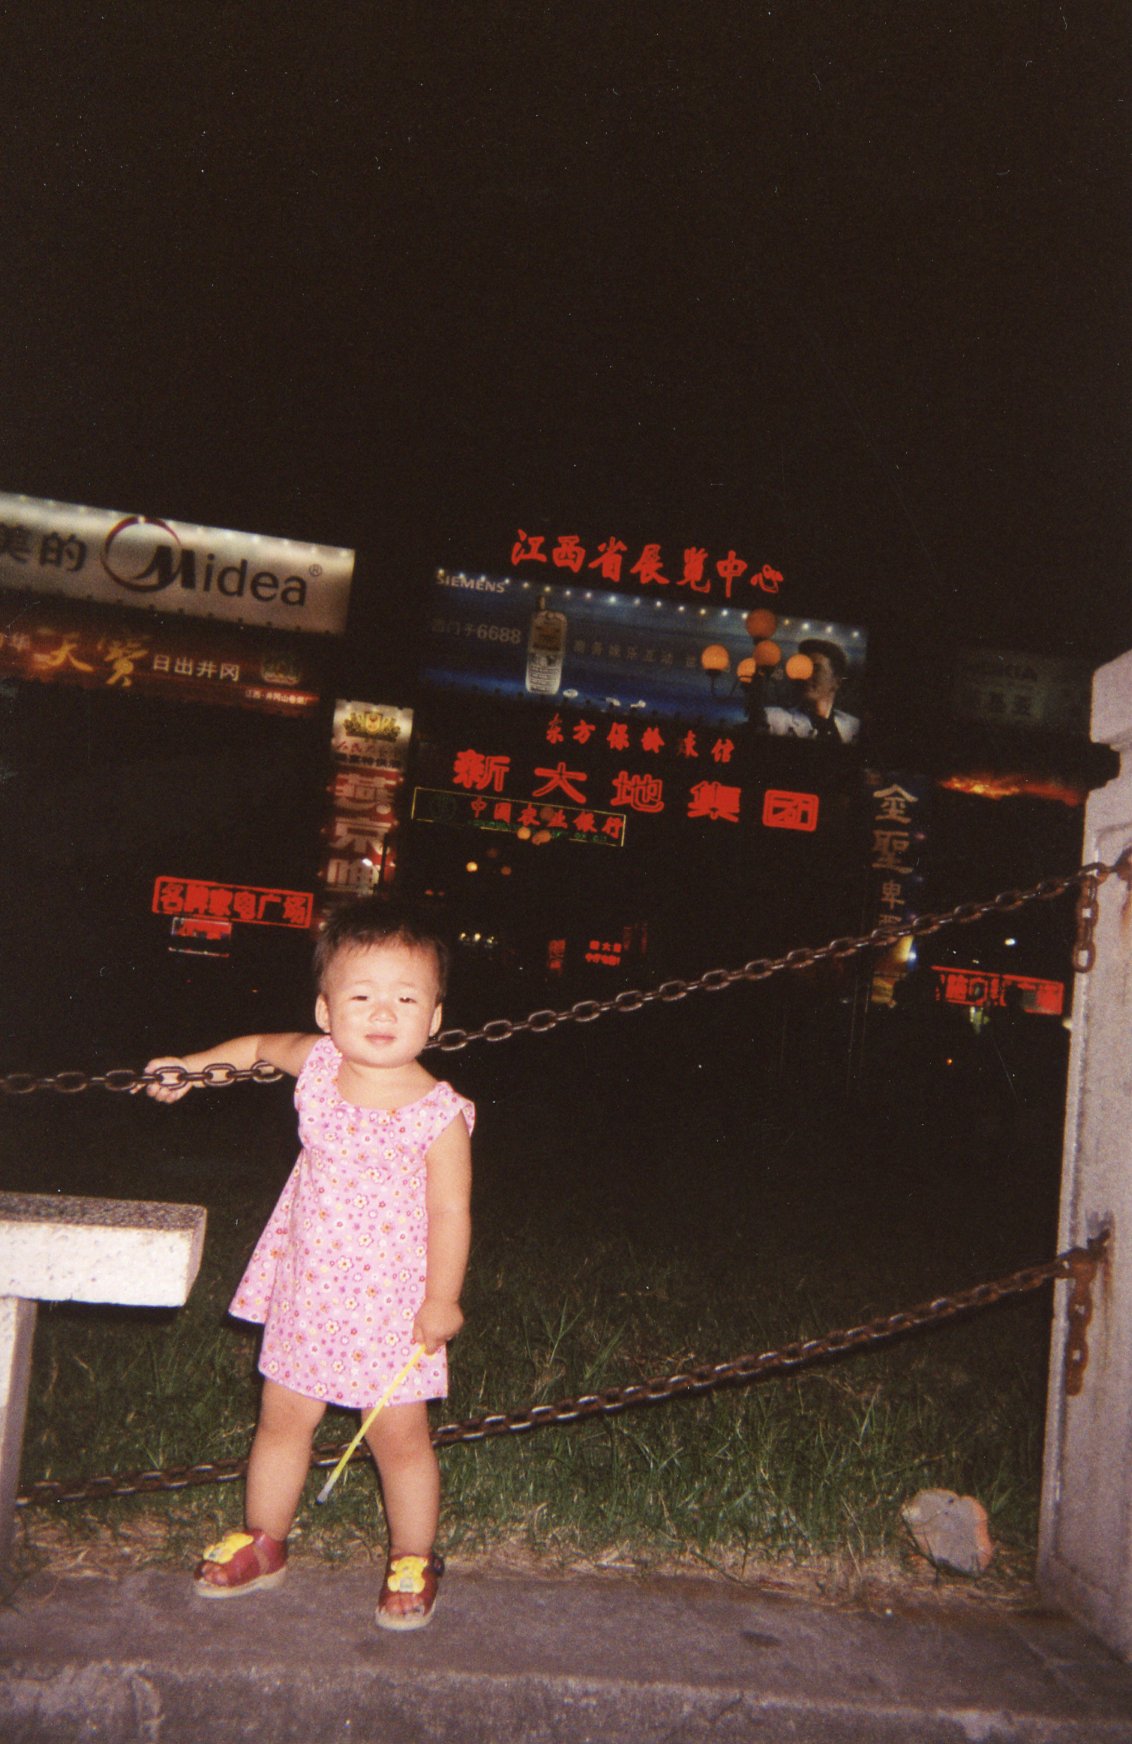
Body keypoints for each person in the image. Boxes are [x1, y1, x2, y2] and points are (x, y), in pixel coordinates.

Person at [144, 898, 473, 1631]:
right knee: (282, 1419)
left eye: (406, 998)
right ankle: (265, 1540)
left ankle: (413, 1557)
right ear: (326, 1011)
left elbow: (452, 1212)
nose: (382, 1012)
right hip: (309, 1288)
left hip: (394, 1306)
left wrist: (442, 1299)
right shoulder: (320, 1064)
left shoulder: (439, 1112)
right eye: (361, 996)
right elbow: (261, 1047)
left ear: (435, 1018)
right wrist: (193, 1068)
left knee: (399, 1439)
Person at [763, 638, 860, 742]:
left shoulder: (854, 725)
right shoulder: (773, 719)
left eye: (816, 669)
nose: (806, 676)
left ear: (837, 682)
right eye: (804, 669)